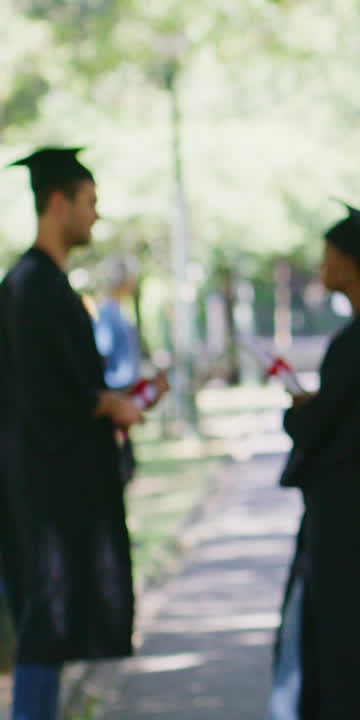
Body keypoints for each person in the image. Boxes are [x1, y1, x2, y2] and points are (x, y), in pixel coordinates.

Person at [0, 147, 145, 720]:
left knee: (49, 625)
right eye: (89, 203)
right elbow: (42, 396)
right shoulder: (32, 286)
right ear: (57, 202)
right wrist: (107, 403)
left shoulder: (38, 283)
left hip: (43, 483)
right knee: (45, 623)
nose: (94, 216)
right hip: (41, 489)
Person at [268, 204, 360, 720]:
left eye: (329, 255)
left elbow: (322, 429)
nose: (321, 264)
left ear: (352, 264)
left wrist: (299, 413)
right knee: (358, 668)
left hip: (347, 540)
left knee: (337, 666)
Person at [93, 255, 150, 484]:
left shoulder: (119, 311)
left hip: (126, 396)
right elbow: (102, 353)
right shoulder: (108, 313)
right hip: (115, 400)